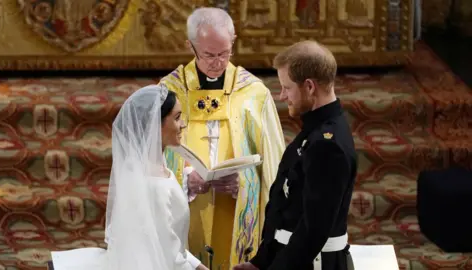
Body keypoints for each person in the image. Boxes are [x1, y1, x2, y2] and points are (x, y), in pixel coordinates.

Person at [160, 7, 286, 269]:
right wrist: (184, 180)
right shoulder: (169, 90)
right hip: (188, 209)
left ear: (233, 41)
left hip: (236, 209)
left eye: (224, 53)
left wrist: (244, 183)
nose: (218, 62)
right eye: (208, 55)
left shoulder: (254, 92)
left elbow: (274, 167)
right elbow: (150, 155)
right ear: (190, 46)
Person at [50, 85, 209, 270]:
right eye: (177, 118)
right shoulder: (154, 182)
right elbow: (168, 252)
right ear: (156, 125)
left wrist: (197, 265)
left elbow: (168, 240)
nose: (183, 124)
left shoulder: (146, 165)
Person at [233, 41, 358, 270]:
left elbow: (312, 231)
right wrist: (261, 262)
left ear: (309, 86)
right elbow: (285, 210)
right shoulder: (315, 131)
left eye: (287, 88)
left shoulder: (327, 145)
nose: (282, 96)